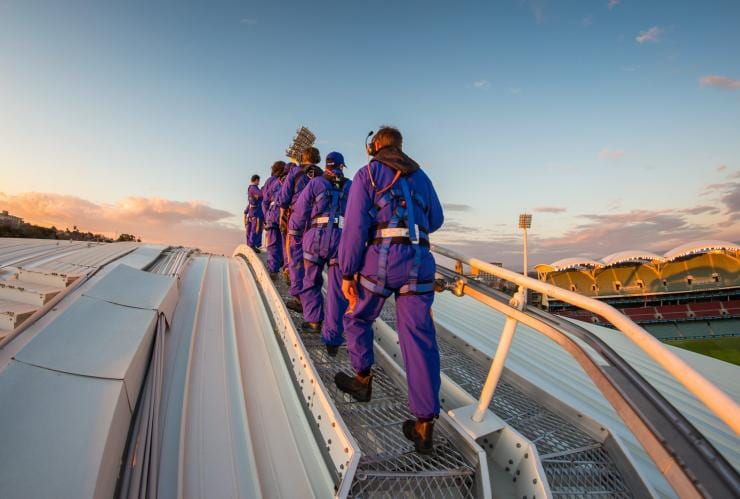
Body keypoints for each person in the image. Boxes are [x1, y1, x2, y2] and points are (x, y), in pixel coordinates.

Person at [336, 126, 444, 454]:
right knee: (419, 339)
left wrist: (347, 271)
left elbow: (354, 228)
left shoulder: (368, 173)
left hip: (382, 261)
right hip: (419, 261)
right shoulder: (421, 176)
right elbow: (436, 219)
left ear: (375, 146)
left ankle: (362, 379)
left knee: (357, 316)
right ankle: (424, 426)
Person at [289, 152, 351, 349]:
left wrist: (296, 232)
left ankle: (314, 320)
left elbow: (301, 210)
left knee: (310, 280)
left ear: (326, 166)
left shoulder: (315, 183)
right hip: (340, 240)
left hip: (316, 237)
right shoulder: (350, 186)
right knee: (337, 289)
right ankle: (332, 336)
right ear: (341, 166)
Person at [277, 147, 322, 312]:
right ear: (317, 159)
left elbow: (284, 198)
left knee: (295, 260)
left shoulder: (295, 172)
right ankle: (312, 303)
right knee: (311, 263)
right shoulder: (323, 175)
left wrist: (282, 216)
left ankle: (299, 298)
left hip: (297, 221)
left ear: (302, 157)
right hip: (317, 223)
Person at [261, 161, 287, 278]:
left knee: (272, 244)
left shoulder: (270, 181)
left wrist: (266, 216)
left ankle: (273, 269)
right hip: (285, 215)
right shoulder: (289, 180)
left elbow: (265, 200)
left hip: (272, 214)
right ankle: (284, 264)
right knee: (284, 242)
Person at [244, 174, 263, 253]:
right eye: (258, 180)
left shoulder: (249, 188)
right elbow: (261, 194)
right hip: (255, 211)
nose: (259, 182)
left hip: (252, 211)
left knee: (251, 229)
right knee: (255, 229)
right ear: (256, 180)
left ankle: (250, 244)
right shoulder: (254, 188)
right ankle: (252, 245)